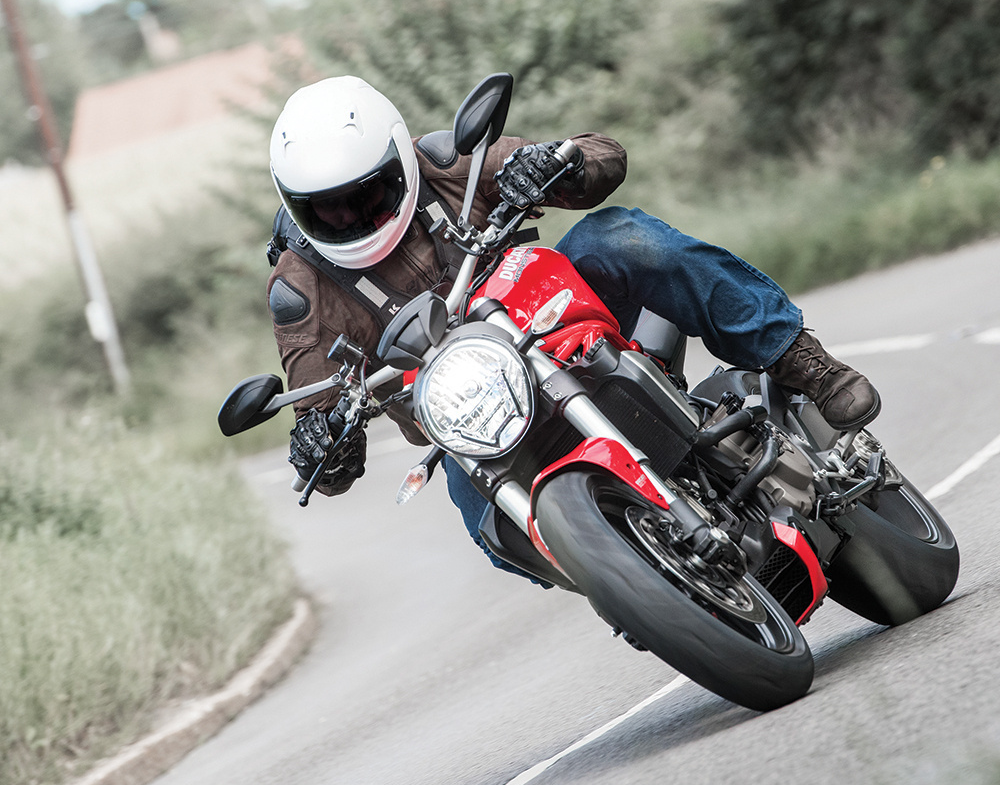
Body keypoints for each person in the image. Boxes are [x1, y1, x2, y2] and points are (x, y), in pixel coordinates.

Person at [265, 75, 880, 575]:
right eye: (326, 211)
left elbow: (605, 153)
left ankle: (800, 360)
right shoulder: (301, 288)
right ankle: (620, 573)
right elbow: (318, 401)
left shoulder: (446, 163)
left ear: (398, 162)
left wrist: (558, 164)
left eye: (366, 196)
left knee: (623, 238)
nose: (349, 219)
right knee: (475, 509)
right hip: (475, 419)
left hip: (553, 319)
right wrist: (322, 445)